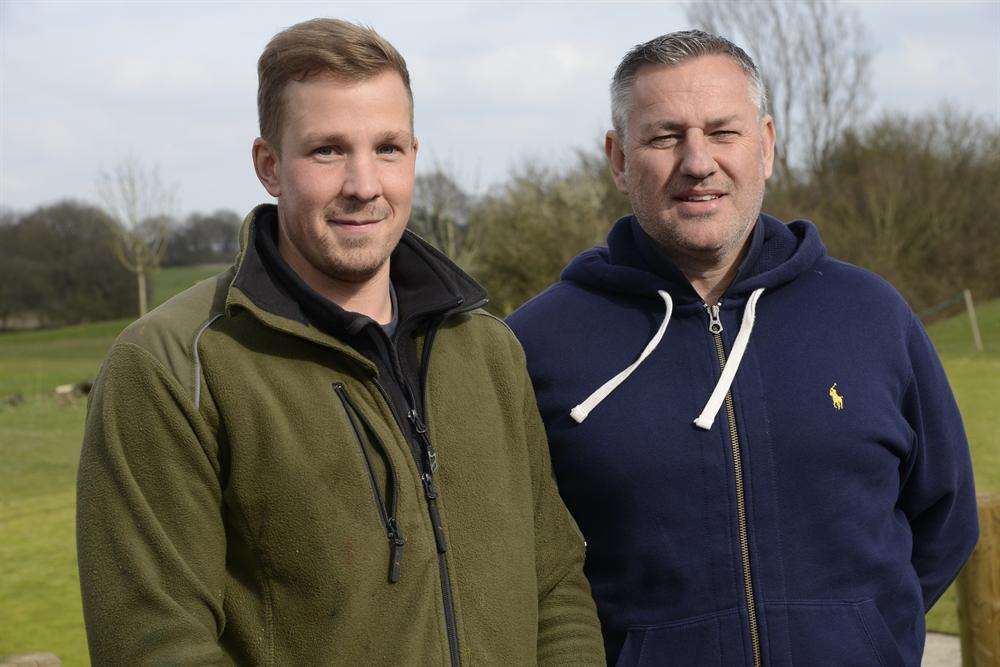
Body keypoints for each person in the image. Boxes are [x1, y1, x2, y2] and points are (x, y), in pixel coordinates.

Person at [77, 18, 604, 665]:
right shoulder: (172, 366)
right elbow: (152, 643)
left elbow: (555, 583)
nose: (363, 184)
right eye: (327, 150)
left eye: (388, 148)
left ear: (414, 156)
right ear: (269, 166)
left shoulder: (490, 350)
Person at [507, 30, 978, 667]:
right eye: (665, 136)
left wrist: (864, 638)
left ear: (767, 146)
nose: (697, 161)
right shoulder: (536, 346)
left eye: (723, 132)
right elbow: (519, 567)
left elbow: (944, 517)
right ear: (618, 159)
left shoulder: (870, 315)